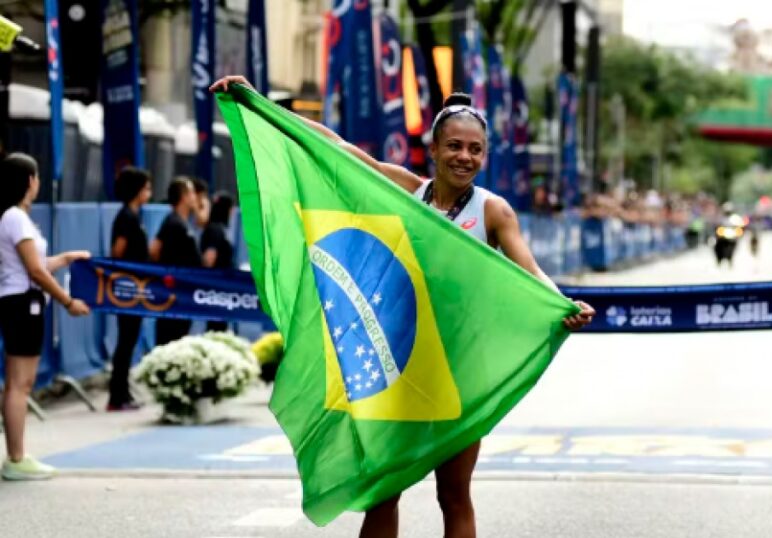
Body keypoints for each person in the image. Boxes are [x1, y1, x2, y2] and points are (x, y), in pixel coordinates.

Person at [211, 76, 595, 538]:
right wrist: (259, 103)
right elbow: (337, 148)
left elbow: (532, 273)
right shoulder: (407, 192)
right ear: (432, 150)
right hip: (400, 363)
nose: (465, 157)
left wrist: (561, 304)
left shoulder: (495, 212)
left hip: (459, 372)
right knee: (383, 491)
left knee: (453, 495)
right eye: (454, 146)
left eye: (475, 150)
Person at [0, 153, 91, 481]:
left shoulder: (14, 217)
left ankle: (16, 455)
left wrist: (66, 258)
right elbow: (35, 271)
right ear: (29, 180)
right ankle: (16, 457)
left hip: (20, 300)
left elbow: (36, 264)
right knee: (19, 384)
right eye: (36, 176)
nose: (38, 183)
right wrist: (67, 301)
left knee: (17, 383)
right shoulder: (16, 218)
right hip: (24, 303)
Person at [107, 166, 153, 411]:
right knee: (125, 341)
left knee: (130, 340)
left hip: (138, 288)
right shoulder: (125, 217)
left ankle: (123, 391)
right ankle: (117, 396)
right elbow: (118, 251)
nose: (149, 192)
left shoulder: (135, 216)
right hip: (128, 288)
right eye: (146, 188)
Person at [150, 177, 201, 345]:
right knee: (169, 339)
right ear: (184, 196)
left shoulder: (184, 223)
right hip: (173, 296)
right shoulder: (173, 223)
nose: (195, 197)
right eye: (192, 192)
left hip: (184, 294)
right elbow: (155, 250)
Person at [201, 191, 236, 332]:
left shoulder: (217, 228)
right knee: (216, 328)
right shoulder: (216, 230)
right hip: (216, 292)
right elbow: (209, 259)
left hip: (220, 291)